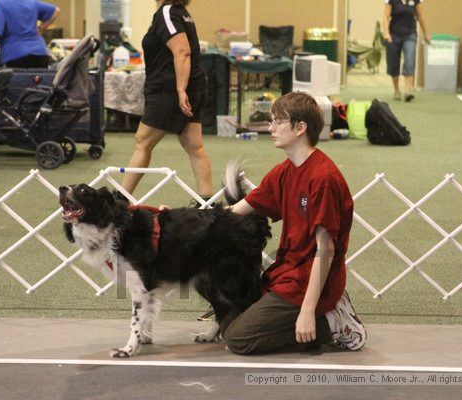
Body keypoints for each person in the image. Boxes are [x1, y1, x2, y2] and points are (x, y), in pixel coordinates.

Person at [220, 92, 367, 354]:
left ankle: (331, 323)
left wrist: (308, 311)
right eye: (271, 121)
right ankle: (319, 317)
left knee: (238, 339)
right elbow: (234, 211)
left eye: (278, 122)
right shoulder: (285, 170)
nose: (271, 128)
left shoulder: (323, 178)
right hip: (287, 273)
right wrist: (172, 215)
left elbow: (326, 250)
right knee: (228, 322)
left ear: (300, 128)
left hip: (310, 281)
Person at [121, 0, 213, 204]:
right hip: (191, 87)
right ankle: (208, 202)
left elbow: (182, 52)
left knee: (142, 142)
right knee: (194, 145)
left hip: (170, 91)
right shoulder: (181, 13)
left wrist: (180, 90)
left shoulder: (168, 13)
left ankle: (120, 200)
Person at [0, 0, 60, 68]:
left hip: (15, 54)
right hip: (39, 53)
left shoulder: (2, 4)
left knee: (17, 88)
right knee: (40, 88)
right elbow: (56, 11)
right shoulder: (32, 2)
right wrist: (42, 28)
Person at [382, 0, 431, 102]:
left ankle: (408, 90)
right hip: (393, 35)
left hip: (410, 34)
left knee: (410, 59)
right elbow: (386, 17)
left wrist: (426, 33)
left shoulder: (416, 1)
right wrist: (386, 33)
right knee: (393, 63)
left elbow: (421, 16)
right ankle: (396, 90)